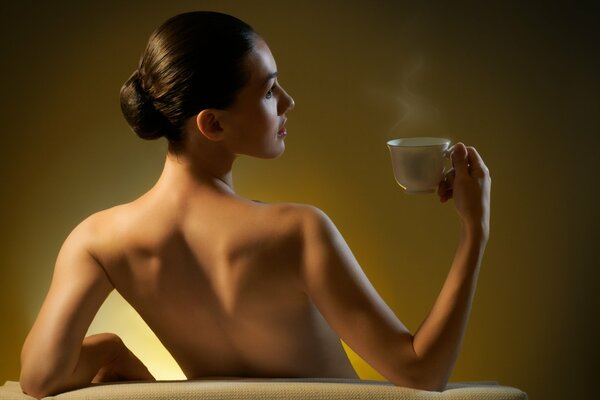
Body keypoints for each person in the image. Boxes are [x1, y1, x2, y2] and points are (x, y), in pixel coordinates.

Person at [19, 11, 491, 399]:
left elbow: (40, 379)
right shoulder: (298, 231)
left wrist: (107, 350)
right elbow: (422, 373)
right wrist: (474, 232)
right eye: (268, 91)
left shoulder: (97, 241)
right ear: (213, 125)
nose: (288, 101)